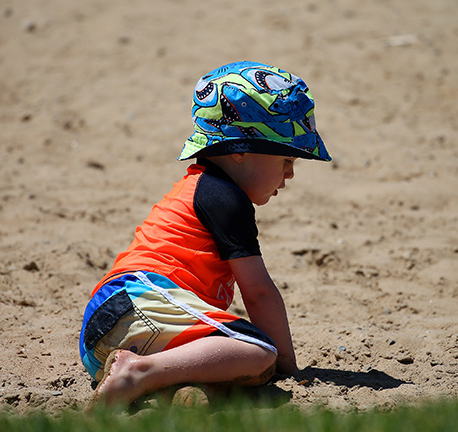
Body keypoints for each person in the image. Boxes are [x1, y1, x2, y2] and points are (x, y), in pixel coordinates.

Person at [79, 60, 331, 407]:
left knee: (225, 361)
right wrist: (285, 366)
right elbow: (258, 292)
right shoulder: (223, 197)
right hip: (138, 304)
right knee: (258, 351)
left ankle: (170, 386)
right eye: (286, 160)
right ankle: (136, 372)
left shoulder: (203, 187)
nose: (290, 174)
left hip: (108, 332)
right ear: (241, 149)